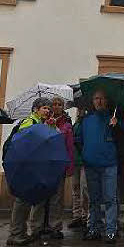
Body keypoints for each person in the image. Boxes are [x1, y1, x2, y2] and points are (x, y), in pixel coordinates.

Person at [75, 90, 120, 243]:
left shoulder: (113, 119)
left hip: (109, 164)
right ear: (93, 101)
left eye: (102, 98)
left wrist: (116, 126)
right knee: (93, 200)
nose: (99, 101)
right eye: (96, 98)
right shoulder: (87, 120)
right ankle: (93, 228)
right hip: (91, 164)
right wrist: (85, 155)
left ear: (107, 101)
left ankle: (111, 231)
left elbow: (123, 139)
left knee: (109, 199)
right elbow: (78, 139)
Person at [7, 97, 52, 247]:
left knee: (26, 201)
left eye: (48, 108)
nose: (47, 110)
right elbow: (21, 143)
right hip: (25, 166)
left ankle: (20, 232)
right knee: (22, 201)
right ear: (35, 109)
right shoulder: (29, 122)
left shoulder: (40, 124)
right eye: (44, 108)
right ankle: (16, 234)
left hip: (33, 166)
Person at [44, 95, 74, 239]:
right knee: (44, 196)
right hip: (45, 164)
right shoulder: (44, 122)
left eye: (59, 104)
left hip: (59, 165)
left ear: (63, 107)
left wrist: (69, 165)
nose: (56, 107)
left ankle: (55, 226)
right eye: (54, 104)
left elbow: (69, 147)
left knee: (57, 197)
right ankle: (42, 226)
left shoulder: (66, 125)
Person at [68, 106, 90, 230]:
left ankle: (85, 216)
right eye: (79, 109)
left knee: (84, 189)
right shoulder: (75, 123)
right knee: (75, 188)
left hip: (84, 160)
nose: (80, 111)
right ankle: (76, 215)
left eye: (82, 109)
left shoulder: (86, 123)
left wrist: (76, 140)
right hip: (75, 159)